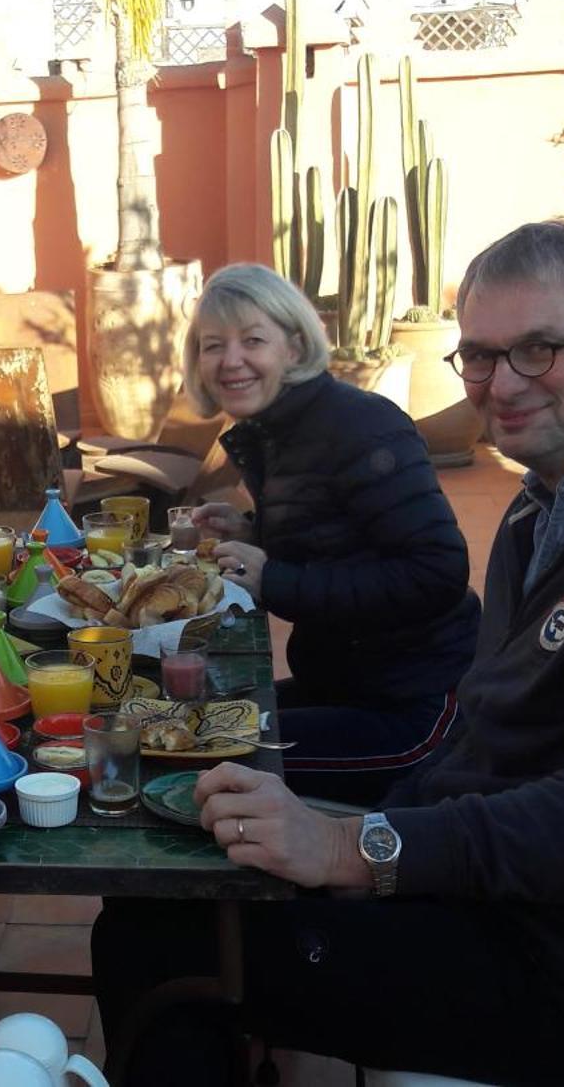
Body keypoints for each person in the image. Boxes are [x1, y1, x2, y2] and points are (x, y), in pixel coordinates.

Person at [92, 221, 564, 1084]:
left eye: (537, 350)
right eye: (478, 355)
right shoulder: (547, 499)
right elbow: (488, 732)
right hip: (490, 894)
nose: (501, 384)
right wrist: (362, 827)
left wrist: (360, 849)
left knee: (157, 939)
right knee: (172, 867)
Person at [181, 263, 479, 804]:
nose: (230, 361)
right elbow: (337, 538)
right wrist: (257, 533)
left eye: (252, 340)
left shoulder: (360, 426)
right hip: (344, 686)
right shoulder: (277, 431)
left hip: (414, 707)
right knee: (185, 730)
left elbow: (436, 572)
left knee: (200, 767)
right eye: (212, 345)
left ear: (294, 347)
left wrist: (274, 578)